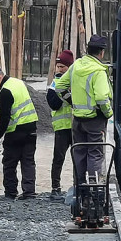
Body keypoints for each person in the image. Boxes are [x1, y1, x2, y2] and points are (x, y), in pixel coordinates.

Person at [56, 34, 112, 184]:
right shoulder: (98, 71)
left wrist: (72, 102)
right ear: (102, 52)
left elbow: (60, 87)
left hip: (78, 120)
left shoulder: (76, 65)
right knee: (95, 153)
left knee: (79, 152)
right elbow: (101, 97)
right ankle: (93, 189)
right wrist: (108, 113)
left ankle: (79, 188)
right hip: (95, 120)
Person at [0, 66, 39, 200]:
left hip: (16, 132)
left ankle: (10, 193)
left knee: (9, 162)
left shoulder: (5, 91)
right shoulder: (18, 82)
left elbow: (5, 117)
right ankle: (29, 192)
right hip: (31, 128)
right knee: (28, 162)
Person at [47, 50, 74, 198]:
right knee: (58, 159)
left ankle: (78, 186)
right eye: (58, 66)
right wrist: (63, 92)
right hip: (61, 128)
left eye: (63, 67)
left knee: (78, 159)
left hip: (76, 126)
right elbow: (54, 104)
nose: (59, 69)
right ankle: (55, 188)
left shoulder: (76, 82)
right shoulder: (54, 85)